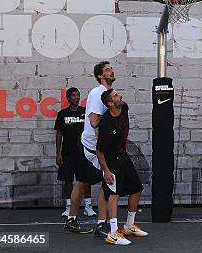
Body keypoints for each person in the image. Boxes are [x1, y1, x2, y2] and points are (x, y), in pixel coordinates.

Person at [64, 61, 113, 237]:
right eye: (108, 70)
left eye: (111, 69)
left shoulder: (108, 94)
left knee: (103, 185)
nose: (111, 71)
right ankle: (73, 220)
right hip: (91, 148)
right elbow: (94, 122)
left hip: (102, 148)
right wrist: (112, 116)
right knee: (84, 182)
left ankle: (100, 223)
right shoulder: (96, 93)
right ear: (100, 75)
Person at [97, 89, 147, 245]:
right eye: (116, 95)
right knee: (114, 194)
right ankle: (113, 233)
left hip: (123, 157)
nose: (121, 96)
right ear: (110, 103)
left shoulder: (123, 107)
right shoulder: (106, 123)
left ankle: (129, 225)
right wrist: (106, 171)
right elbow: (99, 151)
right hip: (110, 161)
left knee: (137, 188)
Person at [54, 87, 95, 217]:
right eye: (73, 95)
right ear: (68, 98)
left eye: (78, 95)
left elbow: (92, 130)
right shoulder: (62, 114)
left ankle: (88, 206)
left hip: (83, 151)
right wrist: (58, 153)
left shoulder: (85, 112)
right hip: (67, 152)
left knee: (85, 179)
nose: (76, 97)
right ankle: (69, 206)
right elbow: (59, 134)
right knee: (68, 179)